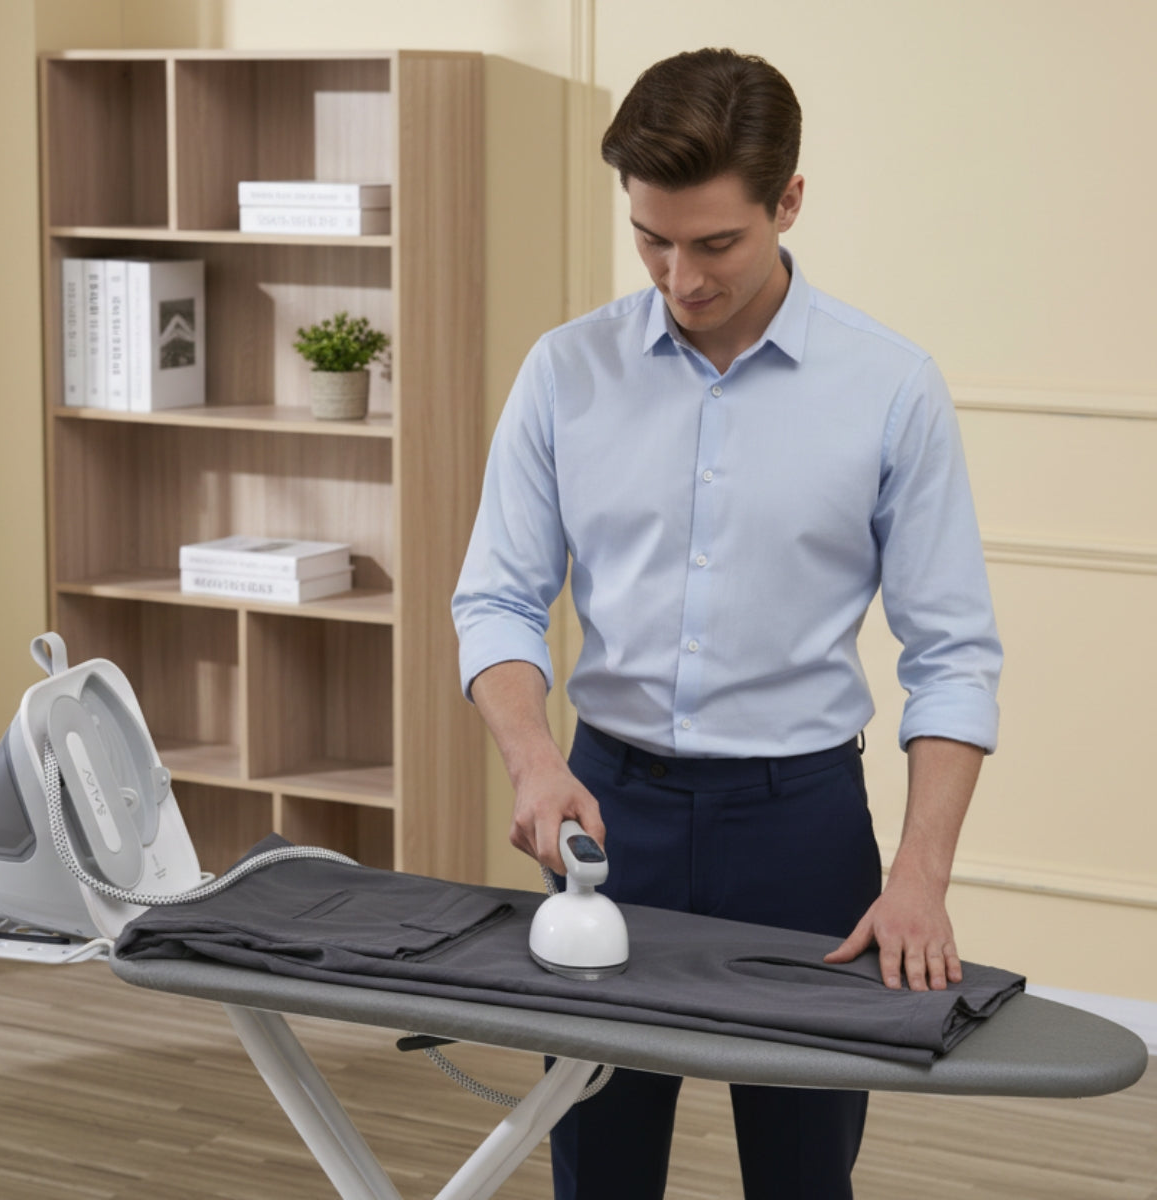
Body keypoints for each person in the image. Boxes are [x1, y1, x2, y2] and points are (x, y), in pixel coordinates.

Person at [451, 46, 1001, 1200]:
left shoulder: (890, 388)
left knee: (804, 1178)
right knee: (597, 1169)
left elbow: (951, 657)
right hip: (608, 817)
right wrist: (534, 761)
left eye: (715, 244)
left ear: (788, 201)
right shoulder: (565, 373)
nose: (679, 276)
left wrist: (920, 877)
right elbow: (497, 596)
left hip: (800, 833)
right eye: (651, 238)